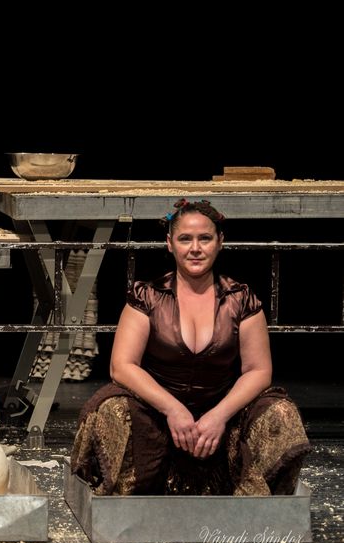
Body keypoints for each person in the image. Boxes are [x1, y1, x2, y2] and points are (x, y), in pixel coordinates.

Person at [70, 199, 310, 496]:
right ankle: (131, 501)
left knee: (281, 412)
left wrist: (218, 416)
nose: (195, 248)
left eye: (204, 238)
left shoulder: (241, 299)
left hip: (221, 423)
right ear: (170, 244)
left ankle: (256, 507)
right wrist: (173, 409)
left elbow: (258, 370)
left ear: (220, 242)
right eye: (185, 239)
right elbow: (122, 366)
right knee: (112, 409)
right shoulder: (147, 297)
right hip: (158, 422)